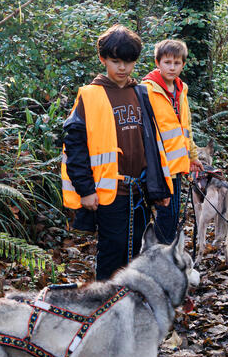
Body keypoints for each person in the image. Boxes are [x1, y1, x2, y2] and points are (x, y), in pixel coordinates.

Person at [61, 24, 173, 281]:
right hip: (108, 194)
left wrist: (161, 188)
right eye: (115, 61)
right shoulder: (90, 96)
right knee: (113, 252)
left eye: (129, 62)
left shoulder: (140, 93)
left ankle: (130, 304)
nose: (122, 68)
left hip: (140, 191)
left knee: (137, 251)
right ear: (103, 59)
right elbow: (74, 147)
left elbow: (154, 145)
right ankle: (104, 307)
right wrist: (86, 189)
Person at [142, 38, 202, 243]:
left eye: (177, 63)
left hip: (175, 166)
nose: (172, 67)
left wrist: (192, 156)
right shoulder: (147, 89)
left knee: (173, 214)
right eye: (167, 62)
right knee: (165, 214)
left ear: (183, 65)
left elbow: (186, 127)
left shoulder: (181, 89)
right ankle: (161, 255)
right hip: (157, 165)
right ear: (157, 63)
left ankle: (163, 253)